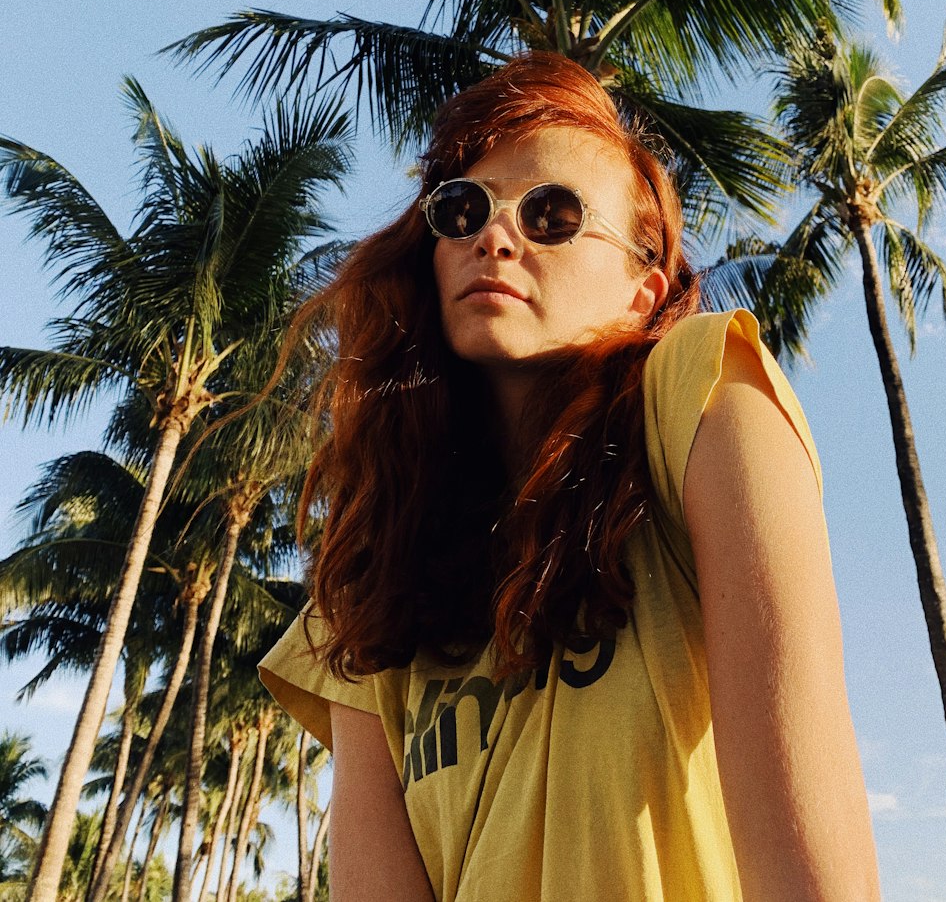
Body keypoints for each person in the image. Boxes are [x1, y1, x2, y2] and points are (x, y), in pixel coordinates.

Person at [260, 53, 880, 902]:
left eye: (551, 213)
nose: (495, 234)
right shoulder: (373, 569)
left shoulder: (701, 390)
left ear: (641, 290)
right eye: (461, 208)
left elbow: (813, 873)